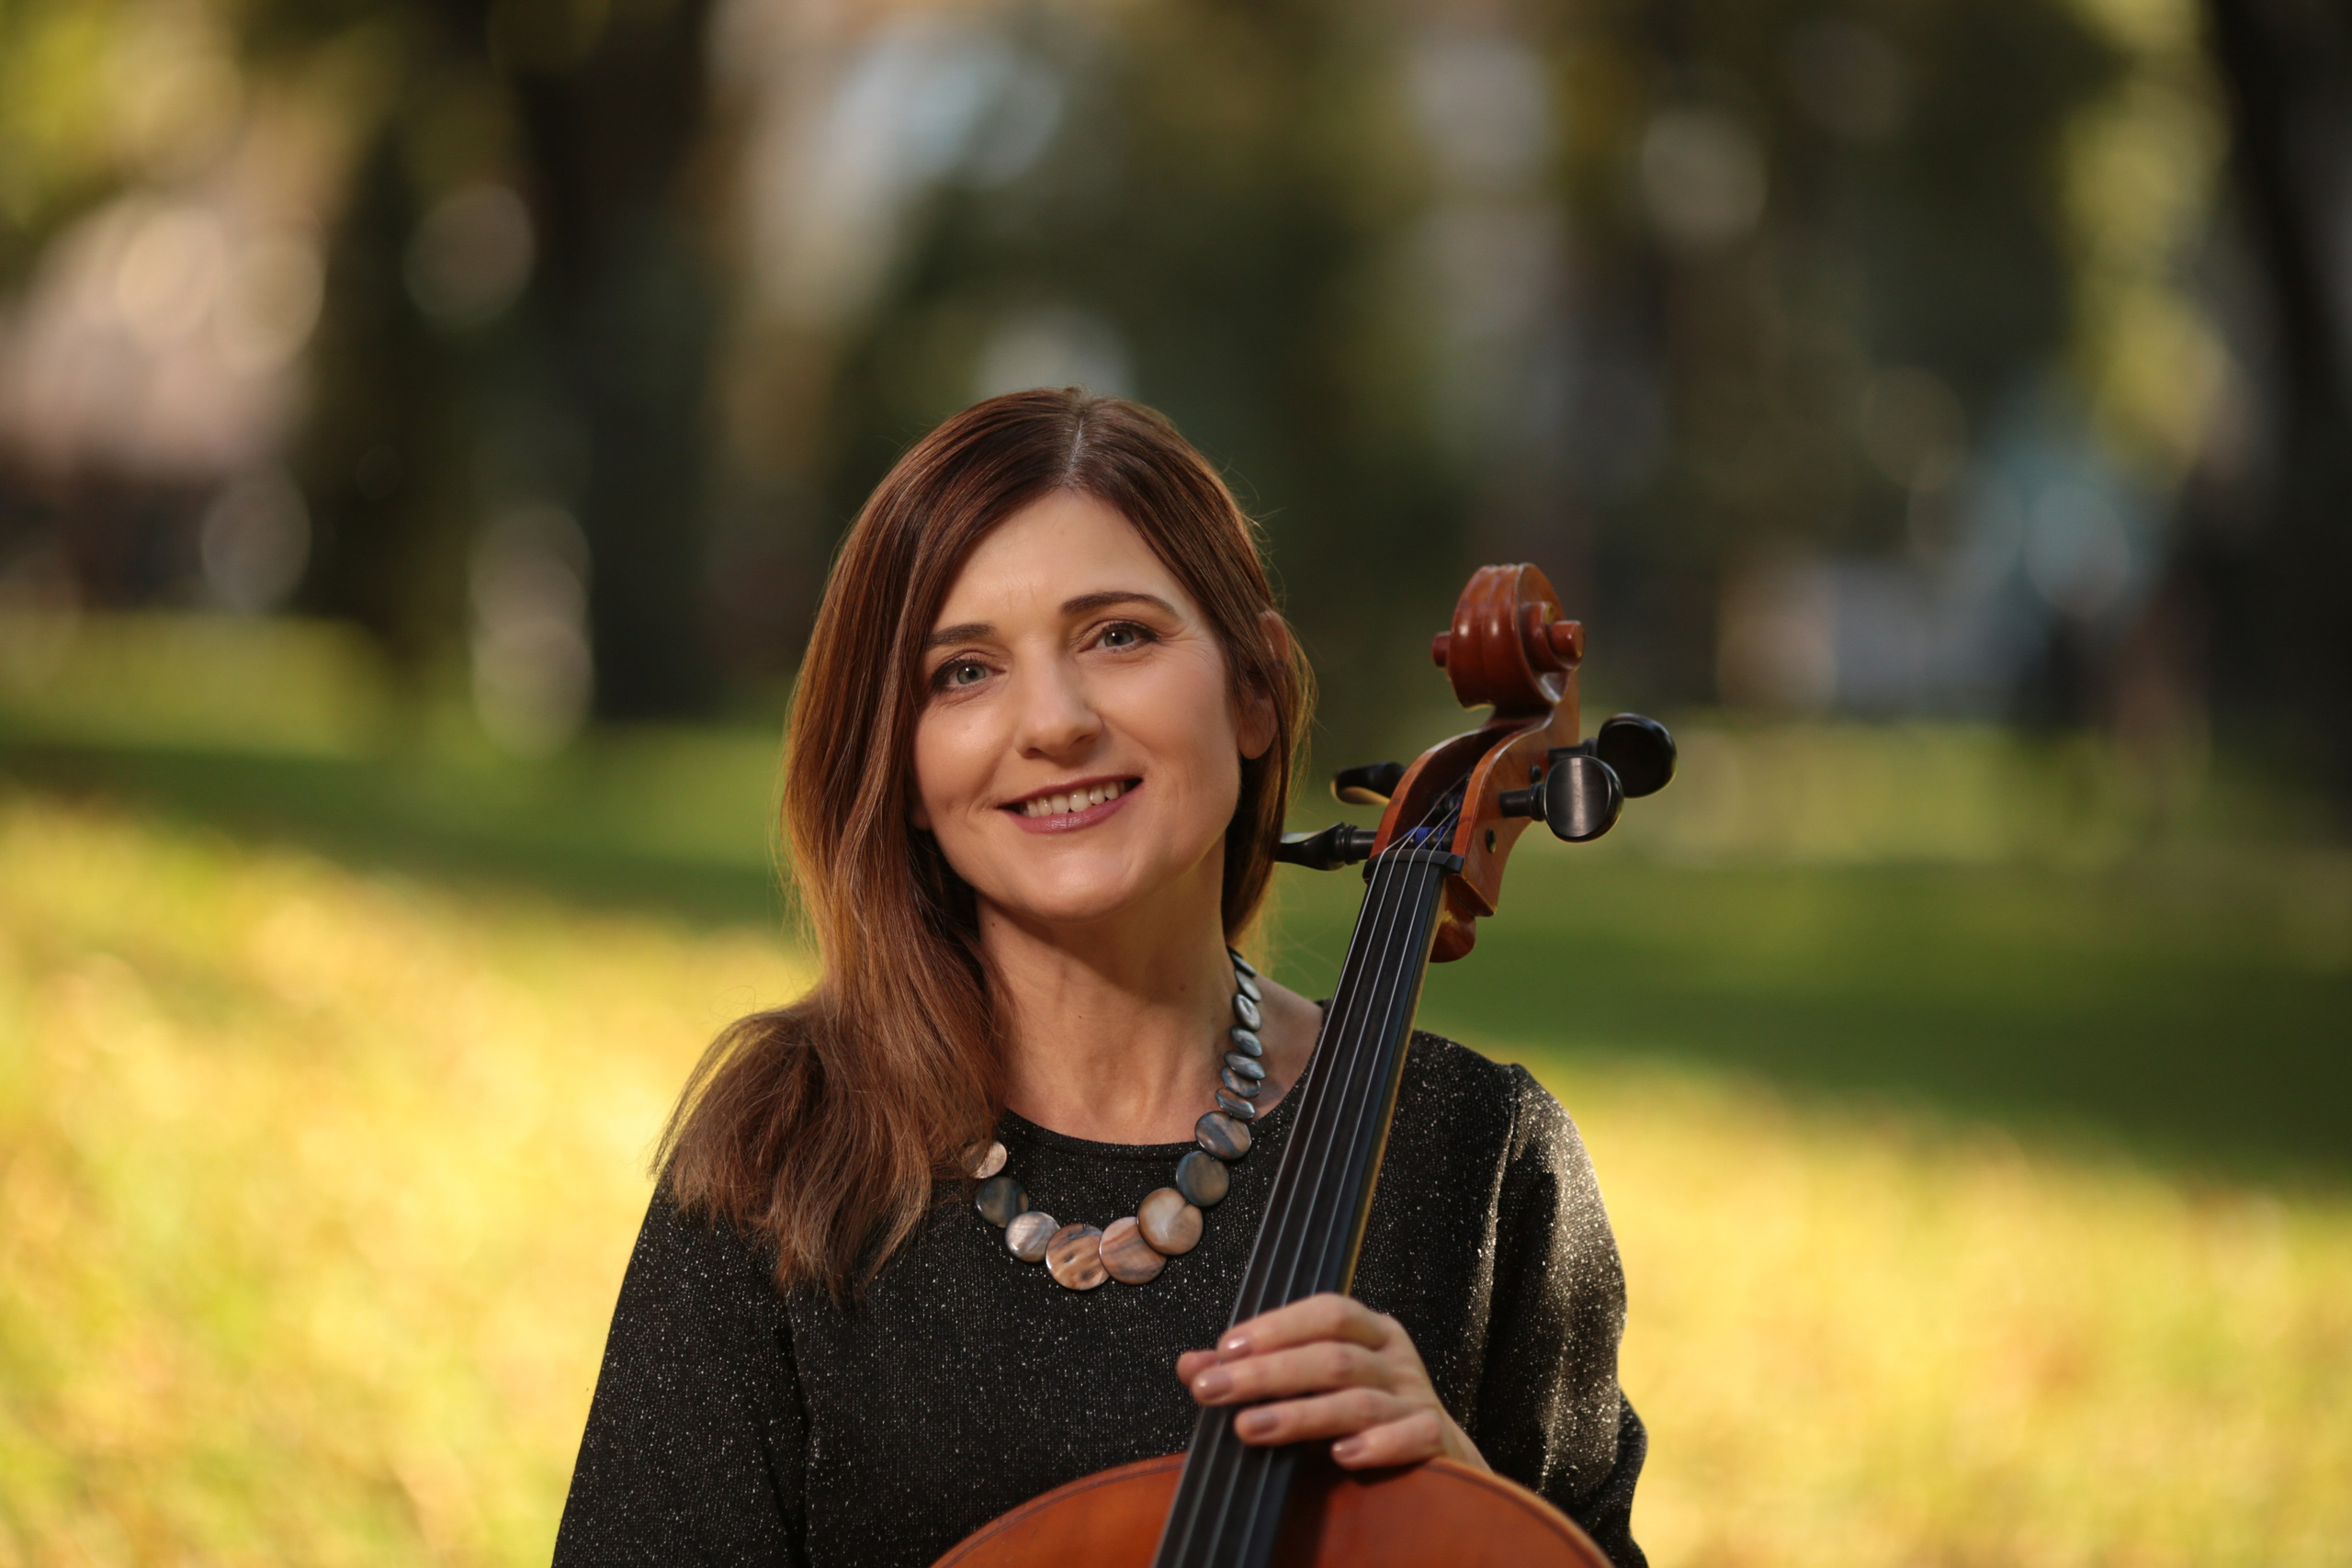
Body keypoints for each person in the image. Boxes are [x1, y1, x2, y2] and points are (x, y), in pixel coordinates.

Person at [553, 389, 1647, 1567]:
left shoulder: (1479, 1158)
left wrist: (1458, 1503)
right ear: (903, 767)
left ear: (1255, 689)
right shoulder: (786, 1154)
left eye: (1118, 635)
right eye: (964, 672)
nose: (1055, 724)